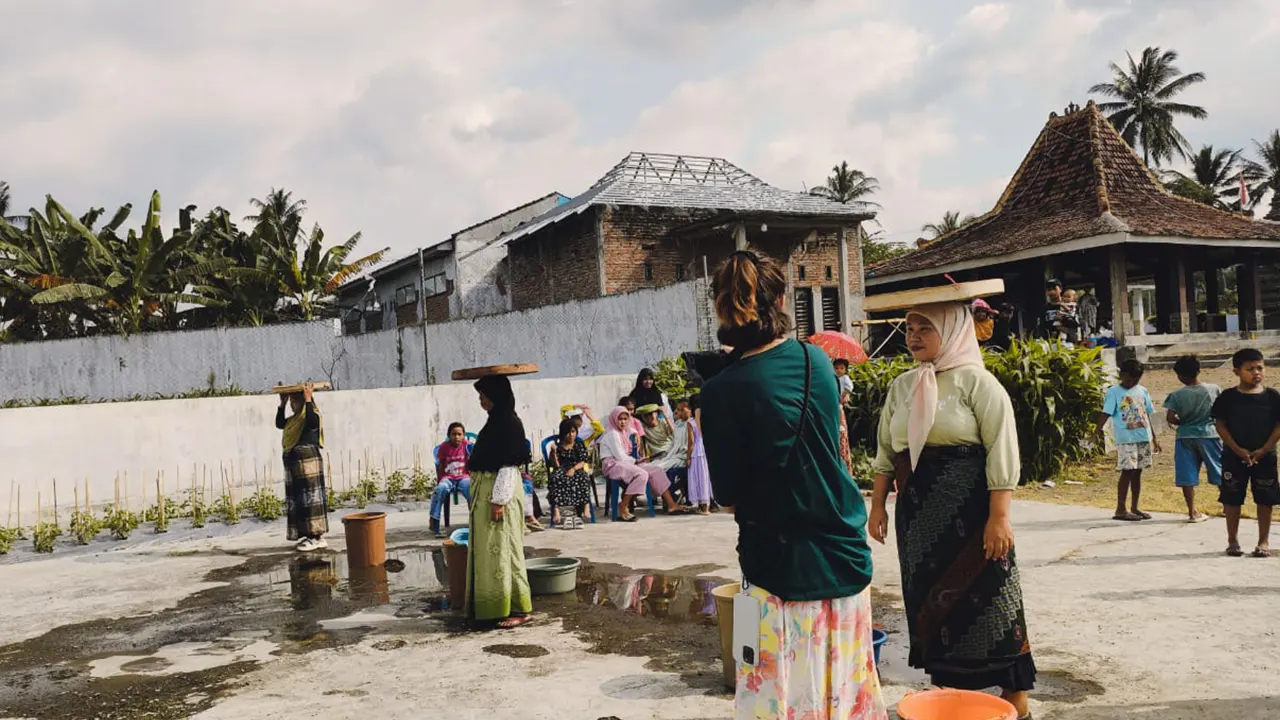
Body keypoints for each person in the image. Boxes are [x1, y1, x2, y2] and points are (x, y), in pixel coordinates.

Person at [700, 250, 886, 720]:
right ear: (781, 299)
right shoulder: (817, 362)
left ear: (720, 310)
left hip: (775, 570)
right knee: (841, 697)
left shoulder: (719, 391)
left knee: (779, 701)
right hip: (844, 557)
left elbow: (727, 496)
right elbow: (839, 452)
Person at [868, 301, 1034, 719]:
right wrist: (878, 507)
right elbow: (887, 452)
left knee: (995, 601)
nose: (914, 336)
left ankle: (1016, 701)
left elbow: (1002, 449)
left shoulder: (978, 383)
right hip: (919, 520)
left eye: (926, 327)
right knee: (932, 602)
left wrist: (999, 517)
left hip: (974, 515)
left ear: (953, 330)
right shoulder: (902, 386)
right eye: (909, 327)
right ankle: (946, 694)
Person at [465, 374, 534, 628]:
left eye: (484, 395)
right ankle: (492, 606)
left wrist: (499, 500)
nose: (481, 400)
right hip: (488, 492)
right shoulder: (494, 421)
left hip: (499, 493)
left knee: (506, 548)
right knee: (491, 552)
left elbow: (509, 463)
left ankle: (517, 607)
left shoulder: (509, 423)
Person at [1211, 348, 1280, 558]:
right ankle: (1232, 540)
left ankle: (1263, 542)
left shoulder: (1273, 397)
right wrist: (1237, 449)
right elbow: (1220, 424)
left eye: (1260, 368)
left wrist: (1265, 449)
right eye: (1250, 369)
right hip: (1234, 457)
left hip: (1265, 457)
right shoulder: (1228, 397)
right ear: (1236, 372)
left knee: (1265, 499)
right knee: (1232, 499)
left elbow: (1278, 425)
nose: (1256, 372)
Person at [598, 406, 690, 521]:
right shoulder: (613, 434)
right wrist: (637, 461)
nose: (623, 422)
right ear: (614, 419)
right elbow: (620, 456)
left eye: (625, 419)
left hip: (627, 462)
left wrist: (636, 433)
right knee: (641, 474)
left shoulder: (624, 430)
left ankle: (671, 504)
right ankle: (623, 505)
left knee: (657, 470)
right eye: (620, 419)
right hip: (613, 464)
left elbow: (632, 430)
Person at [1097, 359, 1161, 522]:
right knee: (1127, 471)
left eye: (1135, 379)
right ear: (1122, 375)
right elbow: (1106, 413)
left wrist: (1154, 438)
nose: (1131, 382)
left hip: (1143, 436)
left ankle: (1134, 507)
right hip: (1126, 439)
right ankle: (1120, 509)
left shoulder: (1142, 391)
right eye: (1128, 379)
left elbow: (1147, 414)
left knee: (1138, 472)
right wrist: (1097, 430)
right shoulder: (1114, 392)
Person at [1163, 355, 1222, 523]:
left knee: (1187, 474)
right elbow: (1221, 411)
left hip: (1185, 436)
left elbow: (1170, 417)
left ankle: (1192, 511)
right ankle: (1227, 506)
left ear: (1180, 375)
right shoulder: (1213, 389)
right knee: (1219, 470)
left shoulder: (1176, 395)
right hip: (1209, 434)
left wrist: (1182, 421)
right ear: (1198, 370)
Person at [277, 382, 330, 552]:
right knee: (300, 501)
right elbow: (279, 423)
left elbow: (312, 422)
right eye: (291, 401)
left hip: (308, 464)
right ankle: (308, 535)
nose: (292, 404)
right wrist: (282, 404)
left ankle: (317, 537)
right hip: (296, 464)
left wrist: (308, 399)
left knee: (311, 499)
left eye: (294, 401)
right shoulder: (294, 419)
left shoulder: (311, 414)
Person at [547, 417, 592, 528]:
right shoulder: (559, 447)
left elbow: (583, 461)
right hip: (562, 469)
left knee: (583, 478)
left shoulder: (578, 444)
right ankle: (557, 509)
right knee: (556, 478)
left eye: (573, 432)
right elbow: (556, 465)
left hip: (576, 468)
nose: (571, 435)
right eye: (568, 433)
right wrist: (553, 453)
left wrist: (574, 469)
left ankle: (586, 506)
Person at [429, 422, 472, 537]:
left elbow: (473, 462)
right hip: (448, 478)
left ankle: (474, 523)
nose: (457, 437)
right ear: (449, 435)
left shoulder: (467, 446)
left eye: (459, 434)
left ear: (463, 435)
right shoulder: (444, 447)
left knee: (472, 490)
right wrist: (440, 479)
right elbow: (439, 464)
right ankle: (435, 524)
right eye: (454, 434)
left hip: (463, 477)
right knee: (440, 490)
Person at [683, 396, 714, 515]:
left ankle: (703, 507)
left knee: (698, 478)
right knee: (706, 478)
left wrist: (688, 457)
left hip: (697, 452)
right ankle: (708, 505)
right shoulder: (708, 419)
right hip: (707, 450)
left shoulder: (691, 422)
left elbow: (691, 441)